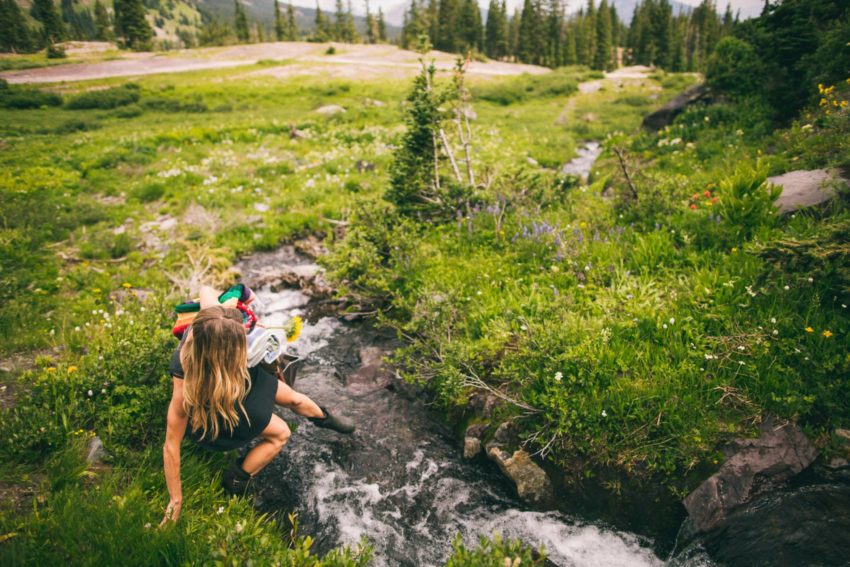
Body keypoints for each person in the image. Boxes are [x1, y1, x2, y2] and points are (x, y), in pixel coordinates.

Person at [161, 286, 354, 524]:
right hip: (218, 402)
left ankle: (324, 418)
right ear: (224, 352)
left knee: (294, 398)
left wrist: (230, 300)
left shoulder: (212, 319)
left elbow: (206, 289)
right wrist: (175, 501)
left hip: (240, 374)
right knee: (281, 433)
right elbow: (171, 444)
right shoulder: (185, 374)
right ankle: (236, 479)